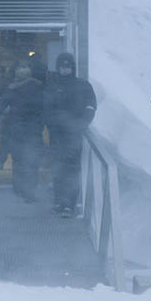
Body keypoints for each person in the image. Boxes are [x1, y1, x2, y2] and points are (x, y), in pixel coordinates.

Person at [44, 52, 96, 217]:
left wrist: (82, 124)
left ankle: (69, 204)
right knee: (57, 169)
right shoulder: (52, 86)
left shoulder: (82, 85)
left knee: (71, 170)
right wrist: (51, 123)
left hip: (73, 136)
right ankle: (59, 201)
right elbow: (46, 109)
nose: (64, 69)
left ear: (72, 67)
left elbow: (91, 106)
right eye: (61, 66)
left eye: (67, 66)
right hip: (56, 136)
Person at [0, 61, 44, 202]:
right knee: (31, 162)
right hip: (33, 131)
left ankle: (19, 188)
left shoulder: (12, 89)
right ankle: (29, 191)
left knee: (19, 161)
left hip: (16, 130)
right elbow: (46, 107)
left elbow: (0, 106)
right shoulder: (38, 87)